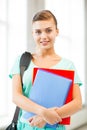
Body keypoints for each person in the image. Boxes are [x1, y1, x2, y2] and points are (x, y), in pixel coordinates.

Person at [9, 10, 82, 130]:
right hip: (25, 127)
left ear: (57, 31)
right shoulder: (21, 61)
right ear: (33, 33)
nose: (43, 36)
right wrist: (43, 112)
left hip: (55, 127)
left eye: (49, 30)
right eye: (38, 32)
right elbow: (16, 97)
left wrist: (45, 118)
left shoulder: (68, 65)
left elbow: (77, 103)